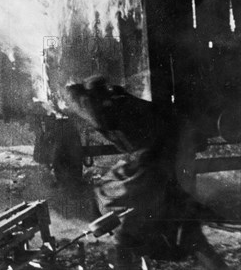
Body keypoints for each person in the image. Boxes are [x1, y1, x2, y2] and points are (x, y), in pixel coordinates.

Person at [65, 76, 228, 270]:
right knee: (181, 229)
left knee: (129, 225)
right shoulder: (114, 105)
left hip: (154, 166)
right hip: (156, 165)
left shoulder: (116, 108)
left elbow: (163, 135)